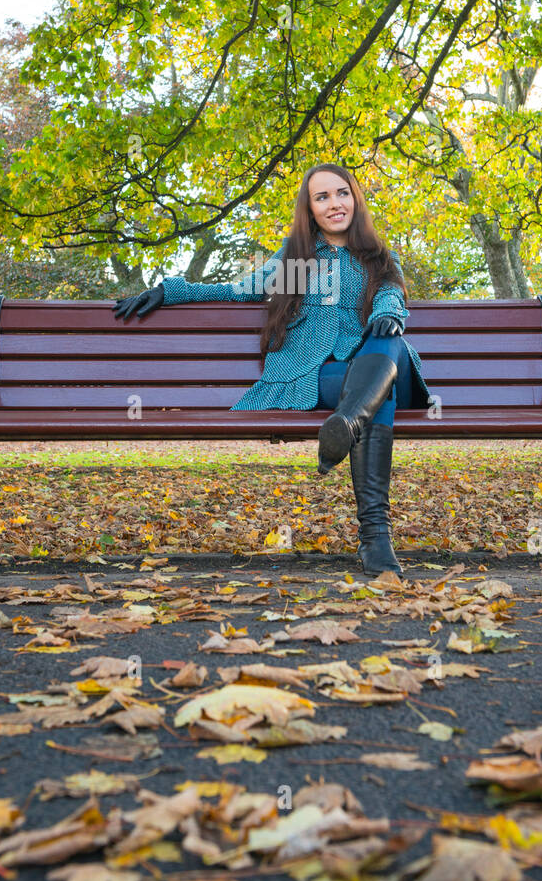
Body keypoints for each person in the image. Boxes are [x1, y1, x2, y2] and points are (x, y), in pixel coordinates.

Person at [112, 164, 431, 576]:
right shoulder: (295, 258)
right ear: (310, 209)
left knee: (392, 341)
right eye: (322, 197)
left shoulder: (381, 258)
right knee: (373, 395)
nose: (334, 203)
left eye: (341, 193)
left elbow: (390, 293)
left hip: (381, 367)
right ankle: (375, 536)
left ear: (354, 197)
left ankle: (348, 423)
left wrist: (389, 313)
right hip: (323, 378)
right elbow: (238, 289)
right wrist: (172, 289)